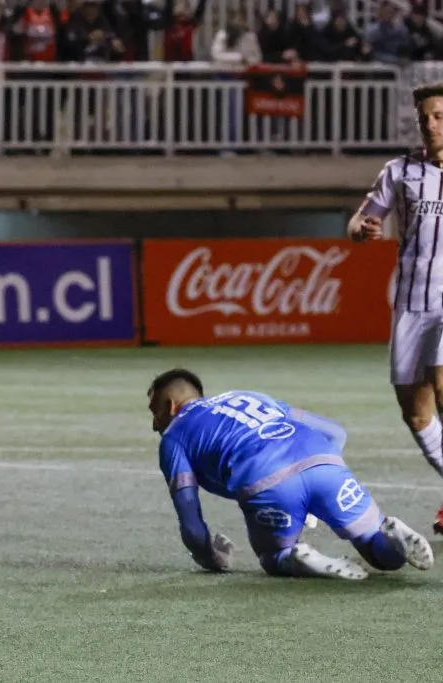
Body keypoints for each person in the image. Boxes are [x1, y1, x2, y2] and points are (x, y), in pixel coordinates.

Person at [148, 368, 433, 580]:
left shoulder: (173, 437)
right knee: (380, 552)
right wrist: (317, 475)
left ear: (171, 405)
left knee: (272, 557)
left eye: (154, 411)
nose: (154, 424)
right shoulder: (246, 396)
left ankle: (297, 556)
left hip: (267, 480)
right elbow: (335, 432)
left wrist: (211, 558)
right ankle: (395, 534)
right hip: (323, 459)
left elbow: (190, 519)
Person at [348, 82, 443, 533]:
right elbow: (360, 219)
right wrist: (362, 230)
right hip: (410, 303)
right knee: (417, 414)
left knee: (441, 387)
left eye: (439, 116)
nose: (430, 125)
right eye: (424, 117)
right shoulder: (400, 171)